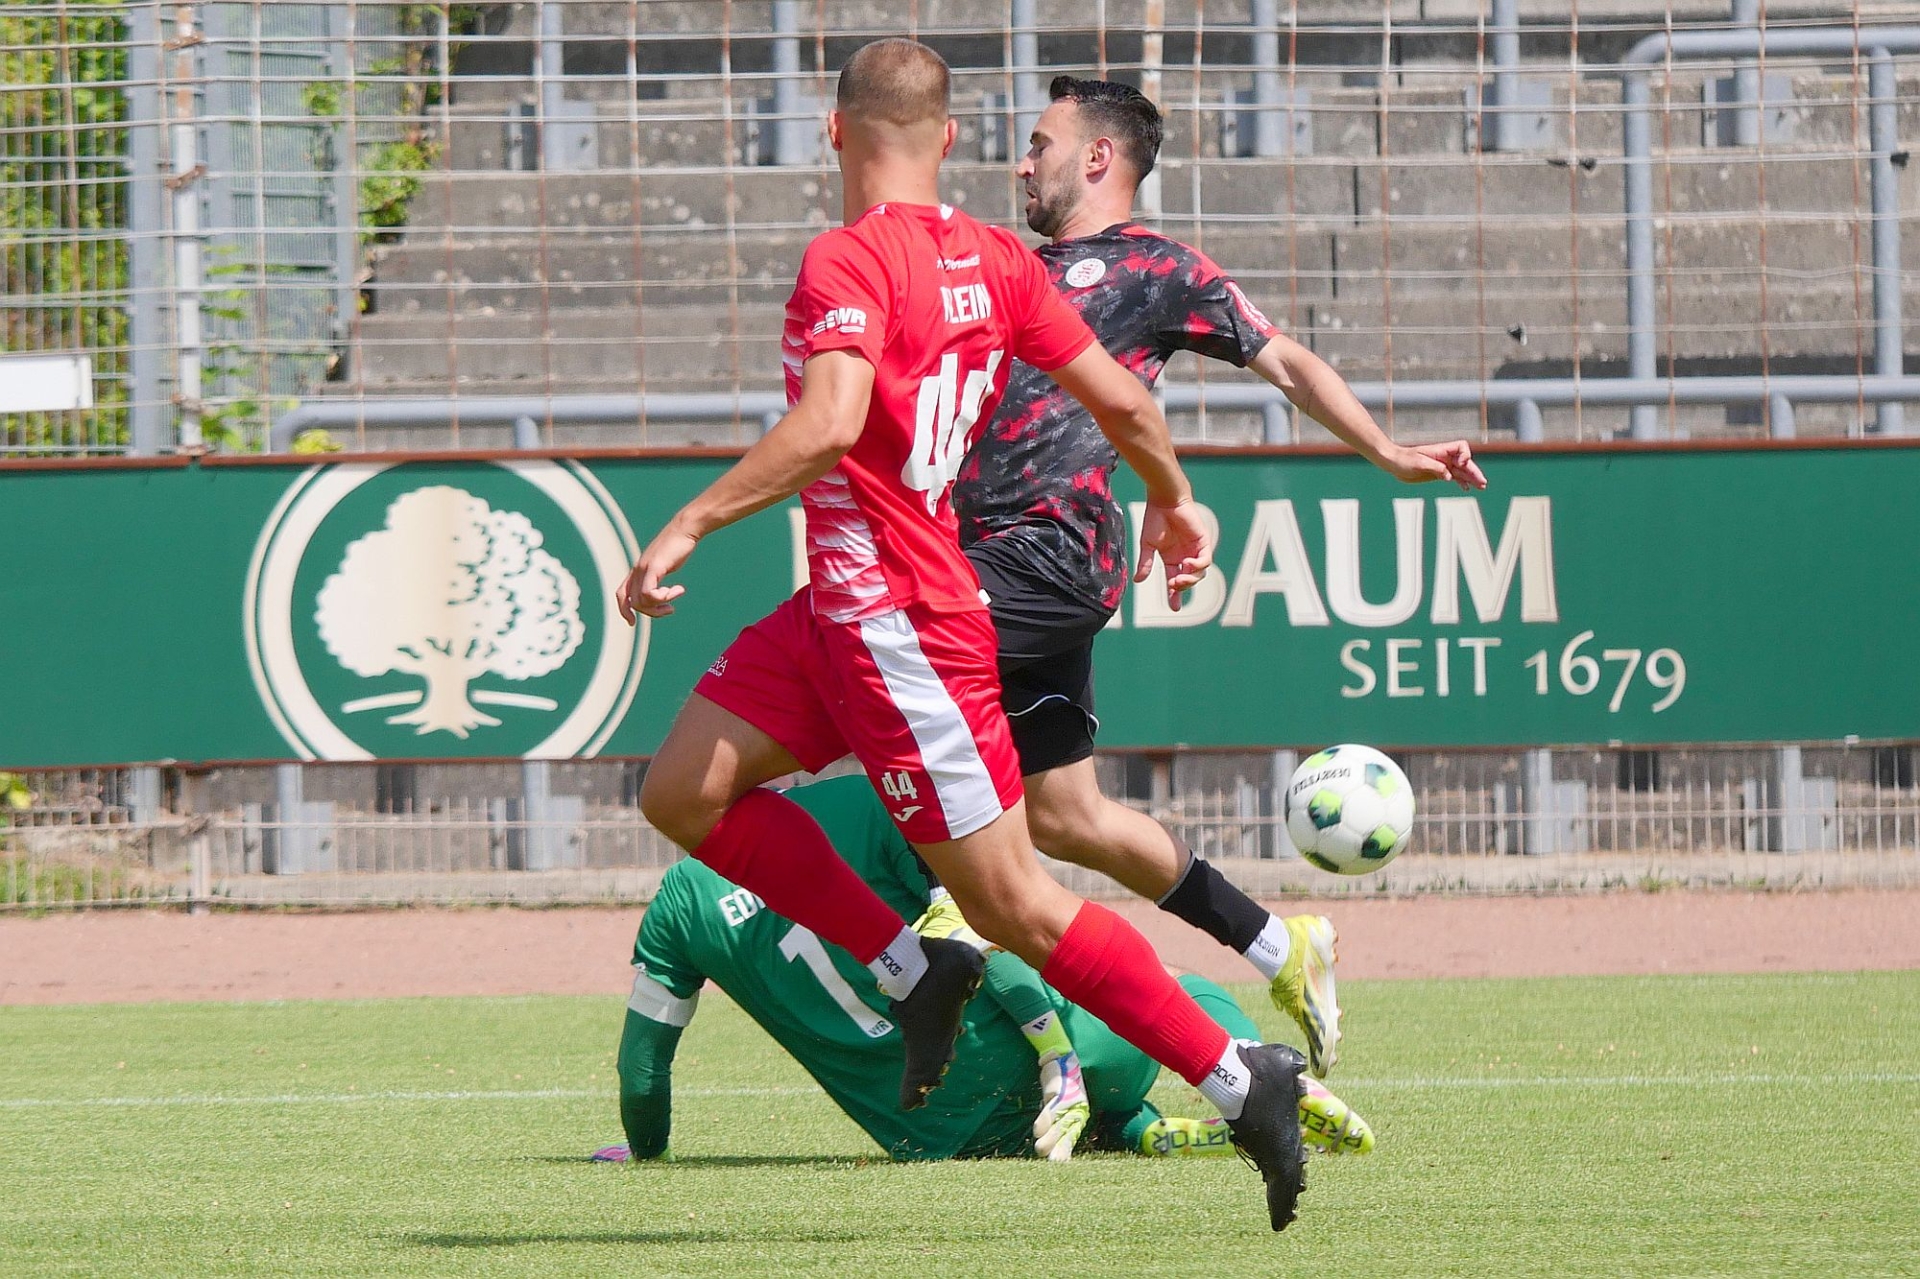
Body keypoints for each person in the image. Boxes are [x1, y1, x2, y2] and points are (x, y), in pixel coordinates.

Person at [617, 40, 1310, 1229]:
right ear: (946, 140)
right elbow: (1123, 398)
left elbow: (830, 423)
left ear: (835, 131)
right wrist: (1173, 497)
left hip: (903, 629)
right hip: (835, 616)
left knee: (1017, 907)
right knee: (682, 792)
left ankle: (1242, 1078)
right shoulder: (997, 258)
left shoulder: (844, 257)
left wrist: (689, 522)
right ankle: (910, 965)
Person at [953, 76, 1492, 1074]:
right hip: (981, 555)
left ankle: (948, 921)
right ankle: (1279, 943)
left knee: (896, 671)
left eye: (1039, 144)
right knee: (1068, 817)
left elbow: (1285, 362)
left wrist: (1386, 451)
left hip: (1045, 555)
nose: (1021, 164)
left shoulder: (1157, 269)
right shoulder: (1005, 267)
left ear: (1099, 158)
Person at [589, 776, 1374, 1165]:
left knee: (1058, 1057)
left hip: (936, 1133)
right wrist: (1057, 1057)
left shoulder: (676, 905)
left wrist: (647, 1151)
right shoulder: (863, 800)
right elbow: (982, 930)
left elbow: (641, 1072)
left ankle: (1130, 1125)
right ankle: (1247, 1071)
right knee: (1161, 977)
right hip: (1069, 1062)